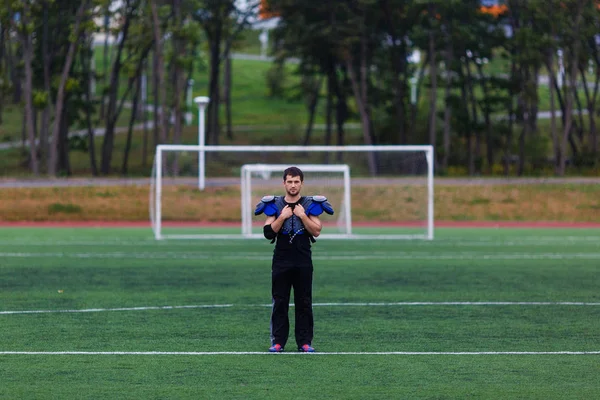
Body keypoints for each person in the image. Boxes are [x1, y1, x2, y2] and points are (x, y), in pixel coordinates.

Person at [254, 166, 334, 353]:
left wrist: (302, 215)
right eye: (289, 181)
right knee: (280, 301)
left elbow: (316, 230)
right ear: (284, 183)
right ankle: (278, 342)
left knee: (304, 301)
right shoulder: (274, 205)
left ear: (301, 183)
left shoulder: (309, 204)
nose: (293, 185)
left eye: (296, 181)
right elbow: (268, 233)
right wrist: (282, 217)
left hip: (303, 260)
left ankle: (304, 342)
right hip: (281, 260)